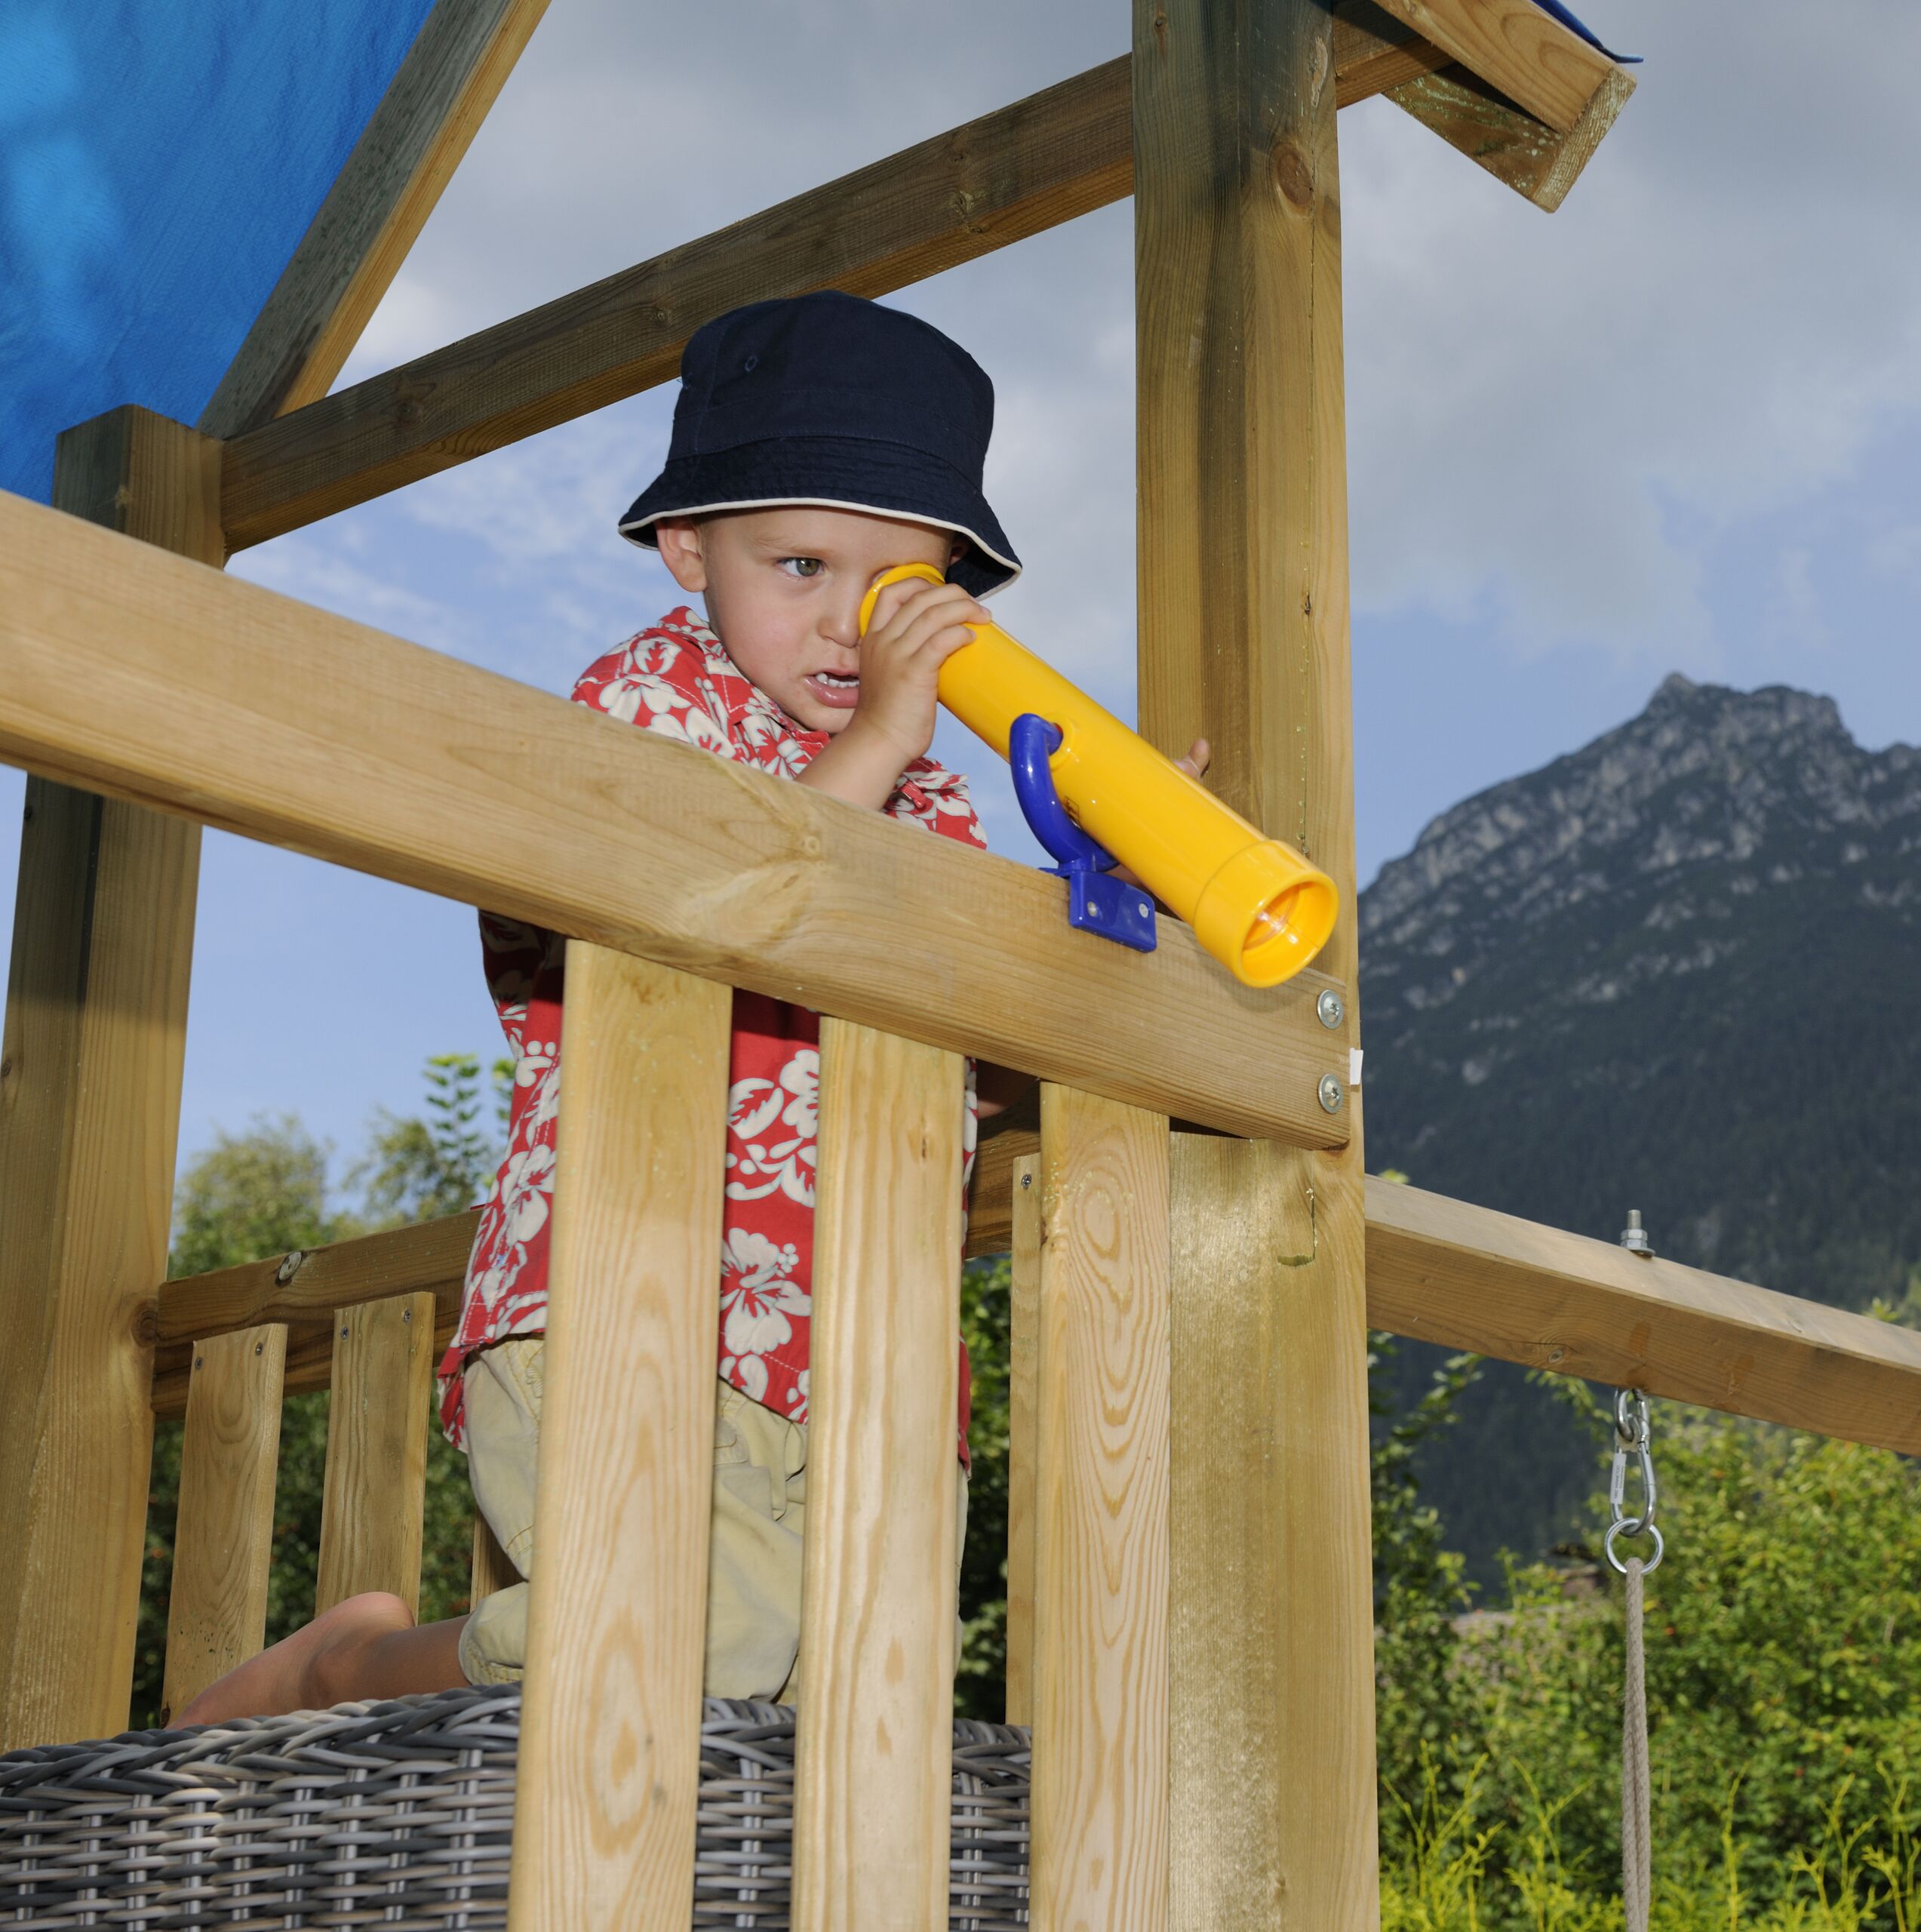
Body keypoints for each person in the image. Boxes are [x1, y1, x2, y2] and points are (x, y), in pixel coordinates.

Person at [174, 291, 1196, 1724]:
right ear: (689, 550)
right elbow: (711, 904)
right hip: (633, 1296)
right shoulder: (648, 710)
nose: (849, 624)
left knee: (858, 1698)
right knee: (688, 1635)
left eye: (902, 588)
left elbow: (996, 1057)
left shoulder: (941, 811)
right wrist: (881, 739)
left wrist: (1118, 904)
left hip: (871, 1353)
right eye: (803, 564)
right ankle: (338, 1671)